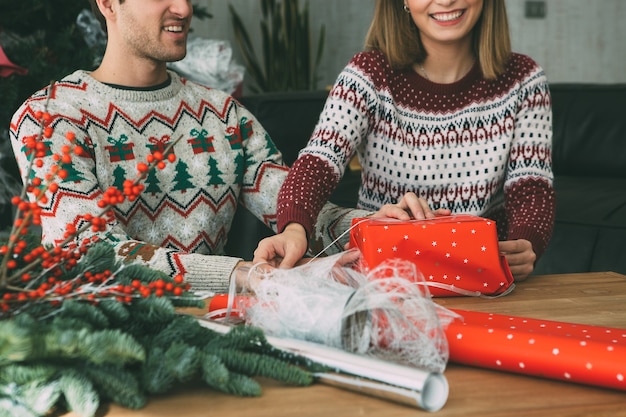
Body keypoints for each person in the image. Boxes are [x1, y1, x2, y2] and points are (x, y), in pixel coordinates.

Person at [9, 0, 371, 293]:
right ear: (106, 3)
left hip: (224, 335)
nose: (183, 9)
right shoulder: (49, 117)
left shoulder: (226, 115)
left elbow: (295, 208)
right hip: (108, 344)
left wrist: (371, 225)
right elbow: (88, 251)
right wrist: (241, 274)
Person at [254, 0, 556, 281]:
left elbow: (531, 185)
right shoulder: (368, 74)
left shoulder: (524, 79)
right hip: (384, 274)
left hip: (483, 275)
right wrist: (294, 229)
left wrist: (527, 242)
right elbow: (319, 161)